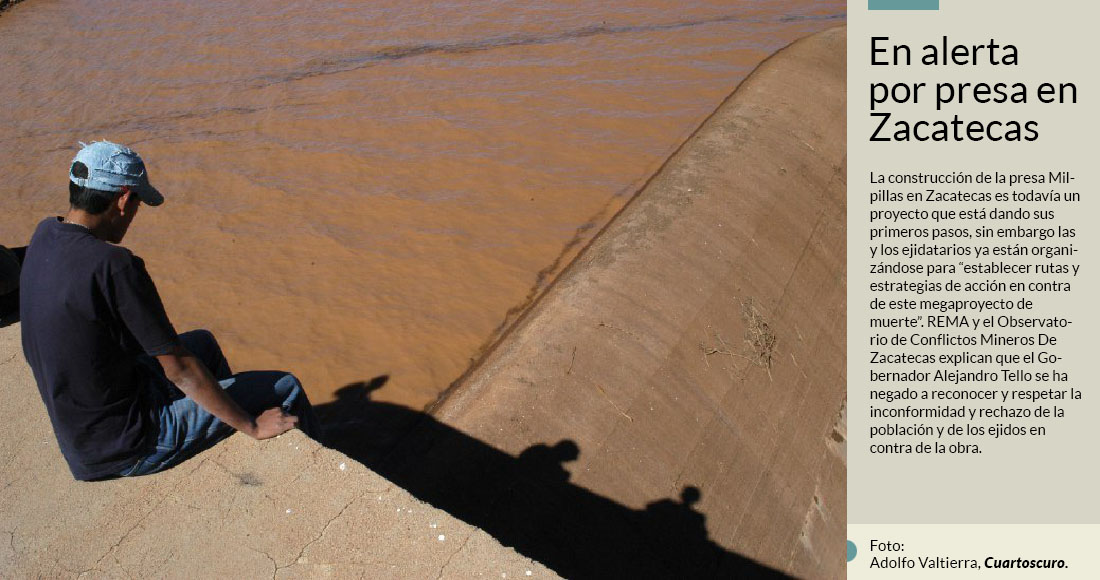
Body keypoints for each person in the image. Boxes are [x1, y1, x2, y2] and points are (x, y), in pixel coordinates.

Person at [20, 141, 319, 481]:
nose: (134, 215)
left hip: (84, 433)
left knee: (203, 343)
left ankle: (224, 423)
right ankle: (312, 470)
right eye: (137, 204)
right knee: (286, 386)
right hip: (127, 444)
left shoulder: (45, 234)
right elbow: (178, 369)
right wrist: (251, 424)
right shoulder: (114, 265)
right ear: (122, 200)